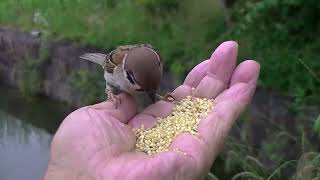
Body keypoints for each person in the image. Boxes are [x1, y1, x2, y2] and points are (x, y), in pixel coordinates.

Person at [44, 41, 260, 180]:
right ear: (127, 75)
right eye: (142, 88)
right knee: (121, 94)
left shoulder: (153, 57)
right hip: (116, 76)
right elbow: (110, 70)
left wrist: (154, 94)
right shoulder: (117, 63)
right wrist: (110, 92)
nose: (145, 93)